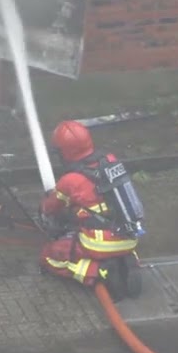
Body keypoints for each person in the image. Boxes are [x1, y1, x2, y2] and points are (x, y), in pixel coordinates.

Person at [38, 120, 144, 301]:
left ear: (64, 152)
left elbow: (51, 208)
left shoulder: (70, 180)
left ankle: (100, 272)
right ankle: (127, 261)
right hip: (130, 235)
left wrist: (44, 205)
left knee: (49, 257)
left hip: (98, 244)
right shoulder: (110, 160)